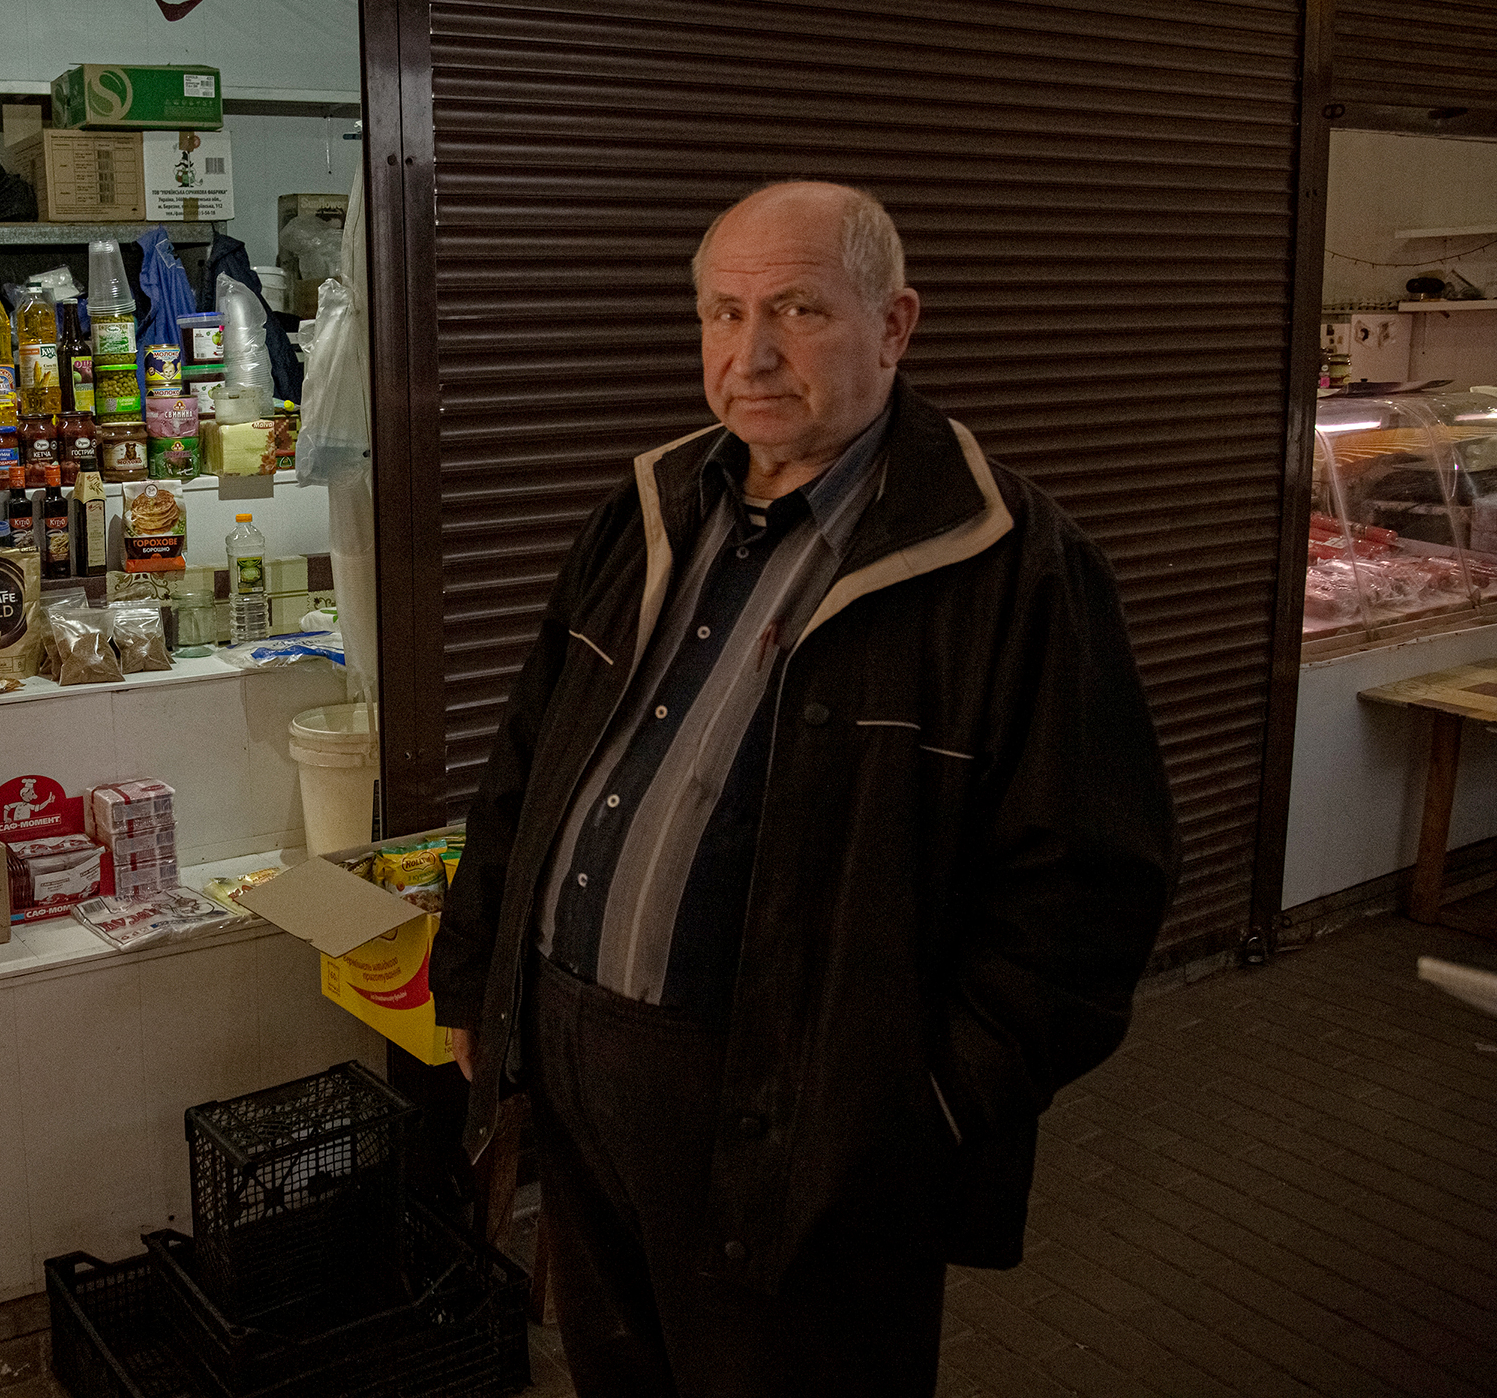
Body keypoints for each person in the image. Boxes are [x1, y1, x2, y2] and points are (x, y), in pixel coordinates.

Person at [427, 181, 1177, 1396]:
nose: (751, 353)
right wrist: (479, 971)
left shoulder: (1015, 565)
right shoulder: (651, 508)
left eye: (797, 310)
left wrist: (911, 1110)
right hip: (580, 1082)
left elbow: (1089, 894)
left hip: (809, 1131)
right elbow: (531, 755)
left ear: (896, 324)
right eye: (723, 314)